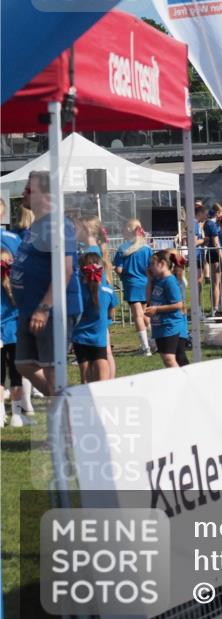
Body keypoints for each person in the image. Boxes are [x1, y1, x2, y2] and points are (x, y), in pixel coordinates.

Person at [11, 171, 83, 397]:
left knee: (54, 371)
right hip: (29, 309)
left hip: (51, 311)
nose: (23, 193)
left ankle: (67, 418)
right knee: (23, 364)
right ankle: (62, 401)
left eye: (29, 190)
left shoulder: (58, 225)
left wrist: (44, 307)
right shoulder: (37, 225)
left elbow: (65, 269)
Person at [77, 216, 117, 378]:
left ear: (87, 231)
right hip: (99, 300)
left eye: (79, 229)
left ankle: (108, 383)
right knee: (104, 351)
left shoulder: (90, 252)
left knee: (105, 352)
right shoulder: (92, 249)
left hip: (96, 297)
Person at [73, 252, 119, 383]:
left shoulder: (77, 292)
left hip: (79, 337)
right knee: (102, 373)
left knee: (85, 376)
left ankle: (86, 401)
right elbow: (111, 312)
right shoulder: (108, 291)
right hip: (99, 337)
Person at [113, 218, 153, 356]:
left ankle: (145, 347)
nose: (122, 231)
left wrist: (123, 275)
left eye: (124, 228)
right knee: (144, 313)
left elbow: (118, 269)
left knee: (138, 316)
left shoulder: (123, 248)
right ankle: (154, 342)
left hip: (132, 283)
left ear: (129, 230)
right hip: (145, 283)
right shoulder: (147, 248)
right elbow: (151, 267)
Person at [145, 250, 190, 367]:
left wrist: (156, 309)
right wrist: (149, 281)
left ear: (162, 264)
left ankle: (184, 382)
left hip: (170, 324)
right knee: (172, 358)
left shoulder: (169, 281)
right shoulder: (157, 280)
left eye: (152, 264)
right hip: (160, 325)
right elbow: (148, 300)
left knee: (170, 358)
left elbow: (179, 304)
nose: (150, 267)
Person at [1, 246, 29, 427]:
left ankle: (1, 414)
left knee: (0, 376)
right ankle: (16, 414)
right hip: (15, 333)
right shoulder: (17, 283)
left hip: (3, 335)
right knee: (16, 375)